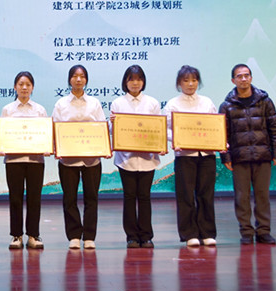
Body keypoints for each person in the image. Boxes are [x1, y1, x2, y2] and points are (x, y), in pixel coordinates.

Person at [218, 63, 276, 245]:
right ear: (233, 80)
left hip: (263, 155)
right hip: (239, 158)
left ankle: (264, 231)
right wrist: (225, 157)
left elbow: (275, 127)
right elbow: (222, 134)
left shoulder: (265, 101)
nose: (244, 79)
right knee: (242, 197)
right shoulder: (226, 106)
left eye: (246, 75)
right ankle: (246, 232)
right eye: (239, 76)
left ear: (251, 78)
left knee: (262, 195)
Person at [52, 65, 106, 250]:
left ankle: (89, 236)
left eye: (82, 76)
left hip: (92, 159)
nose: (78, 79)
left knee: (92, 198)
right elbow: (55, 129)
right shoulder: (61, 104)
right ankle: (74, 235)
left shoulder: (94, 103)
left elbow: (101, 127)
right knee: (70, 198)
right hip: (68, 159)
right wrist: (56, 148)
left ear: (86, 80)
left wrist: (104, 147)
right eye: (75, 76)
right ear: (69, 80)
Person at [164, 65, 218, 247]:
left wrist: (220, 142)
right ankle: (189, 234)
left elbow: (215, 126)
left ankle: (207, 232)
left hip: (207, 154)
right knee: (185, 195)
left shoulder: (207, 102)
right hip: (185, 155)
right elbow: (166, 128)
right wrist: (176, 140)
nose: (190, 84)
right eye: (186, 80)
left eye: (194, 80)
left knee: (206, 194)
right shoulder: (173, 104)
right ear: (179, 83)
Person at [110, 65, 162, 249]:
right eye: (131, 79)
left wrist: (160, 146)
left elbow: (158, 129)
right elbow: (113, 131)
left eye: (139, 79)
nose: (135, 83)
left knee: (145, 197)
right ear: (125, 82)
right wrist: (112, 124)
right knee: (129, 197)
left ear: (143, 81)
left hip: (148, 159)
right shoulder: (117, 103)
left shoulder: (152, 103)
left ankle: (146, 236)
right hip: (126, 159)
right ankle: (131, 236)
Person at [1, 71, 48, 250]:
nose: (24, 88)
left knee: (35, 198)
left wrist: (47, 146)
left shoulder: (40, 110)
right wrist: (2, 147)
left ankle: (33, 235)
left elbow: (45, 134)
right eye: (21, 84)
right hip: (13, 160)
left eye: (28, 84)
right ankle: (16, 236)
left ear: (32, 87)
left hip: (35, 160)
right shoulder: (8, 109)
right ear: (15, 87)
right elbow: (4, 134)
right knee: (15, 198)